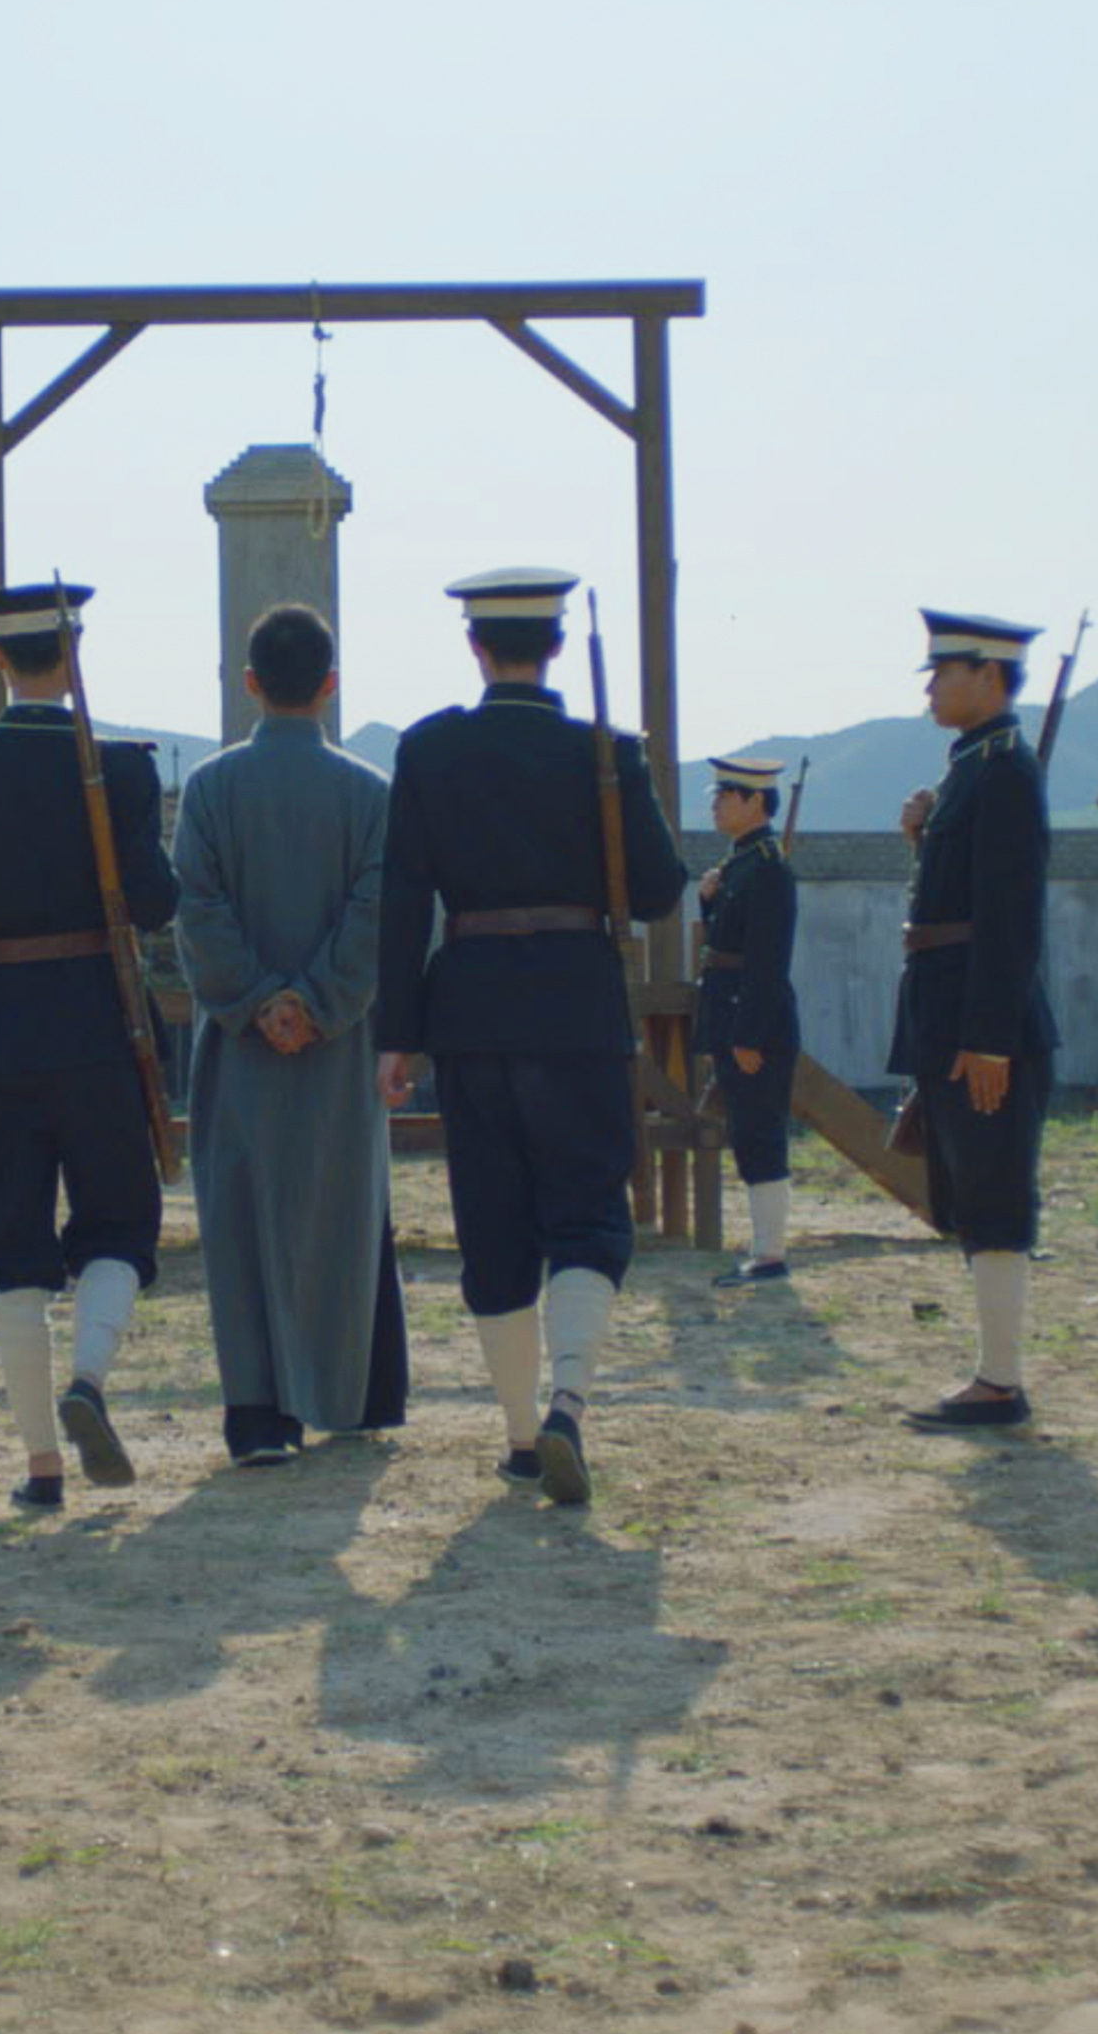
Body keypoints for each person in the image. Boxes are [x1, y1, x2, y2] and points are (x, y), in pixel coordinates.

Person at [376, 567, 688, 1504]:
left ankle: (521, 1439)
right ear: (555, 647)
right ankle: (569, 1404)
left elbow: (404, 900)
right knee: (588, 1214)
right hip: (576, 1008)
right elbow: (658, 890)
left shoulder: (430, 750)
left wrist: (398, 1035)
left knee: (495, 1226)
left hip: (470, 1014)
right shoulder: (606, 752)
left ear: (476, 646)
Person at [0, 582, 178, 1511]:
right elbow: (155, 905)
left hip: (1, 1032)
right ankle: (88, 1380)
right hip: (103, 1024)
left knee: (14, 1249)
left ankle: (40, 1466)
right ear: (75, 653)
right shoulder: (121, 770)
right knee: (120, 1227)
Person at [175, 603, 408, 1467]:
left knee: (240, 1223)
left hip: (239, 1048)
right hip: (338, 1051)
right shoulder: (371, 793)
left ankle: (257, 1418)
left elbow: (197, 909)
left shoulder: (208, 789)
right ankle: (348, 1396)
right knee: (341, 1216)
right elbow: (378, 913)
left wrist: (258, 1000)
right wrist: (317, 1001)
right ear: (331, 684)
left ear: (249, 683)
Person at [887, 614, 1062, 1433]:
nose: (930, 687)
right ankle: (993, 1373)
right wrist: (922, 839)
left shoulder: (1005, 772)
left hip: (982, 1028)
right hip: (949, 1014)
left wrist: (989, 1038)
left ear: (989, 675)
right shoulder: (969, 771)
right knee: (969, 1193)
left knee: (995, 1195)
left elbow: (1010, 919)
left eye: (943, 671)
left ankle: (1000, 1382)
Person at [694, 756, 801, 1285]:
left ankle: (771, 1254)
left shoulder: (768, 867)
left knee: (760, 1131)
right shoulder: (739, 864)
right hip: (731, 1014)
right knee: (747, 1129)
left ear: (756, 801)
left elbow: (766, 960)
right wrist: (707, 901)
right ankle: (764, 1250)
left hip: (752, 1022)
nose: (715, 804)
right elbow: (723, 943)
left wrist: (748, 1034)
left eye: (726, 795)